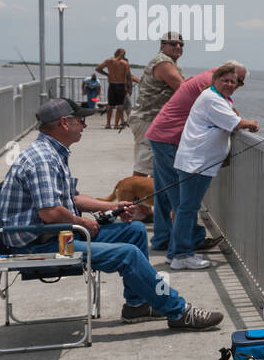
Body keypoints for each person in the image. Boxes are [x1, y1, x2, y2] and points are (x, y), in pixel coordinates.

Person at [0, 98, 224, 331]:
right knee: (129, 254)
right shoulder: (43, 159)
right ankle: (179, 311)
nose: (84, 126)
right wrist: (81, 222)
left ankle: (137, 305)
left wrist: (112, 207)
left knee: (135, 231)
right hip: (39, 244)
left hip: (55, 235)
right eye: (81, 121)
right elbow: (50, 212)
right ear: (64, 123)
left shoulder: (52, 153)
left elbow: (70, 199)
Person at [145, 61, 247, 258]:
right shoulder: (208, 87)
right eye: (236, 80)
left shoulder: (206, 80)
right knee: (182, 199)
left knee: (164, 192)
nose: (235, 85)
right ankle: (187, 243)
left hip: (160, 135)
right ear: (222, 74)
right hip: (169, 138)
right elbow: (229, 116)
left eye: (238, 83)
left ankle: (162, 238)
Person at [169, 64, 258, 270]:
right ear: (215, 80)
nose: (229, 84)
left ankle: (176, 252)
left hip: (196, 162)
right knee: (187, 210)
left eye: (233, 82)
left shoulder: (217, 98)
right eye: (224, 80)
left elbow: (230, 118)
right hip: (196, 163)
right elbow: (234, 123)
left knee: (186, 209)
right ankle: (182, 255)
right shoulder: (211, 98)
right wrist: (250, 122)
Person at [131, 31, 186, 238]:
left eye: (181, 44)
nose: (178, 47)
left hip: (153, 121)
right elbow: (182, 88)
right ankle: (135, 209)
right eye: (173, 44)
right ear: (162, 45)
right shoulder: (163, 63)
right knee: (144, 167)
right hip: (148, 120)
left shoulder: (169, 62)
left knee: (154, 169)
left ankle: (144, 209)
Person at [95, 48, 133, 131]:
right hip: (121, 85)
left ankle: (108, 124)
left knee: (110, 106)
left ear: (115, 53)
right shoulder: (125, 63)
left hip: (112, 84)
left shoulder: (109, 61)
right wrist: (130, 88)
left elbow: (98, 68)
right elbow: (128, 77)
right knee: (120, 106)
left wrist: (108, 74)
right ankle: (116, 125)